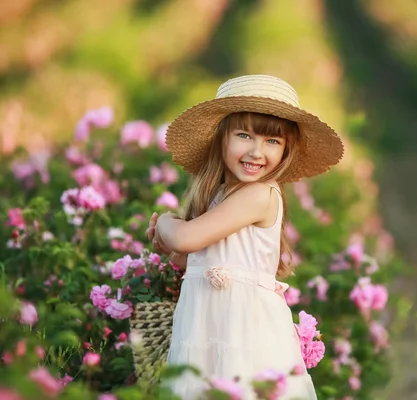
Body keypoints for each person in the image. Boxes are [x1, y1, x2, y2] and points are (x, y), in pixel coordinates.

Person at [145, 74, 343, 399]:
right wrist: (167, 244)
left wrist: (167, 222)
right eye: (243, 135)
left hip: (245, 337)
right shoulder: (219, 195)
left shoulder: (260, 195)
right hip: (207, 333)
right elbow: (190, 256)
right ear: (221, 138)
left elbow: (186, 238)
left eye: (272, 142)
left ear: (286, 150)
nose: (256, 151)